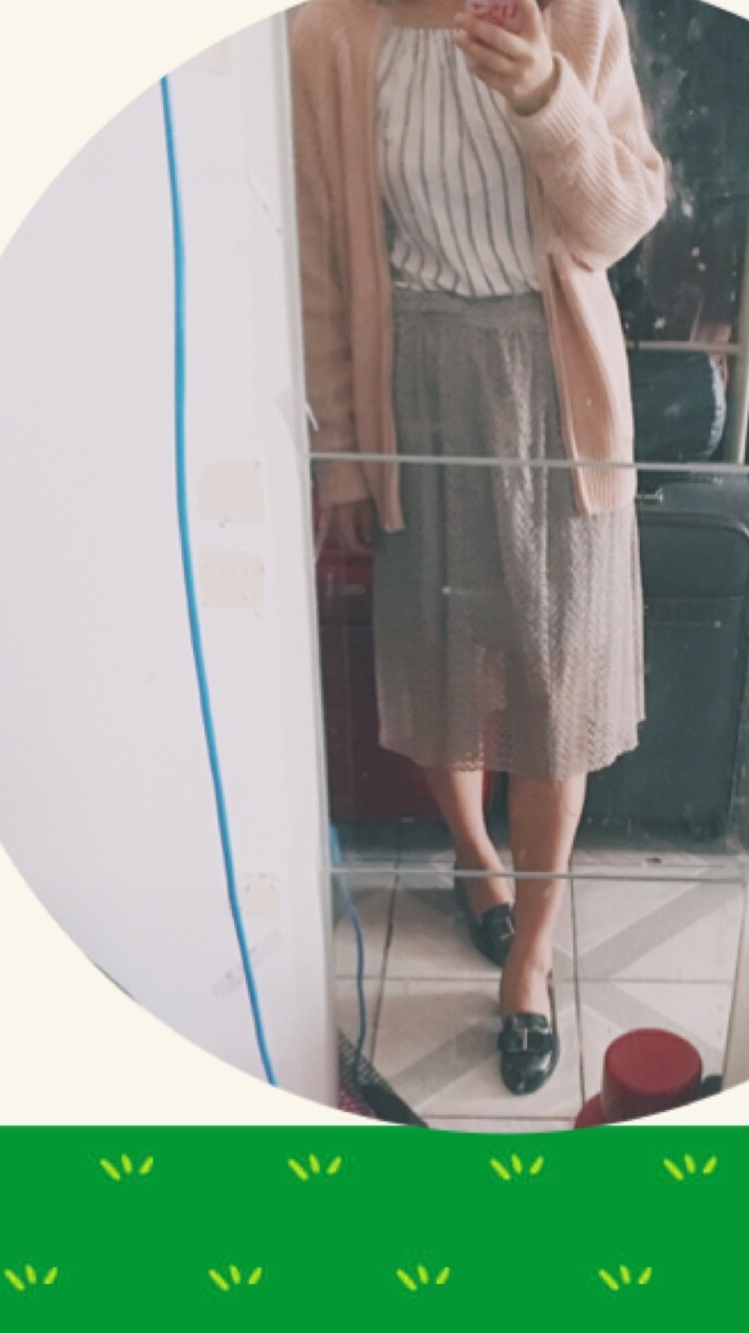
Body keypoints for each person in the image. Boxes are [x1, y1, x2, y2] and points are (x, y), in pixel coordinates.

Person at [291, 0, 666, 1093]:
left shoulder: (572, 13)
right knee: (435, 657)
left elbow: (620, 218)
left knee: (557, 681)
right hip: (411, 386)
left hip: (557, 386)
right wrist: (344, 460)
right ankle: (475, 856)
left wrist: (546, 95)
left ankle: (530, 959)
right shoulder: (326, 34)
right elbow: (321, 269)